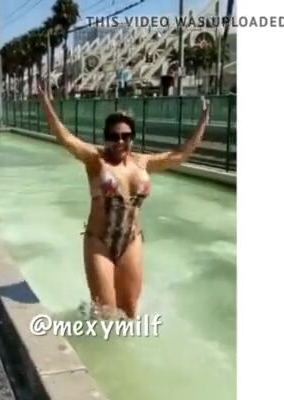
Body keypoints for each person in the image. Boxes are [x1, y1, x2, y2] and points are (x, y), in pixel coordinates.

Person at [37, 81, 209, 318]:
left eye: (126, 136)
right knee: (106, 312)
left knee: (129, 312)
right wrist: (46, 105)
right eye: (114, 136)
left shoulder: (143, 163)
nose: (120, 141)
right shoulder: (95, 160)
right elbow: (66, 138)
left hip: (131, 240)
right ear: (106, 138)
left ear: (132, 138)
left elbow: (179, 155)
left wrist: (203, 121)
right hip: (99, 242)